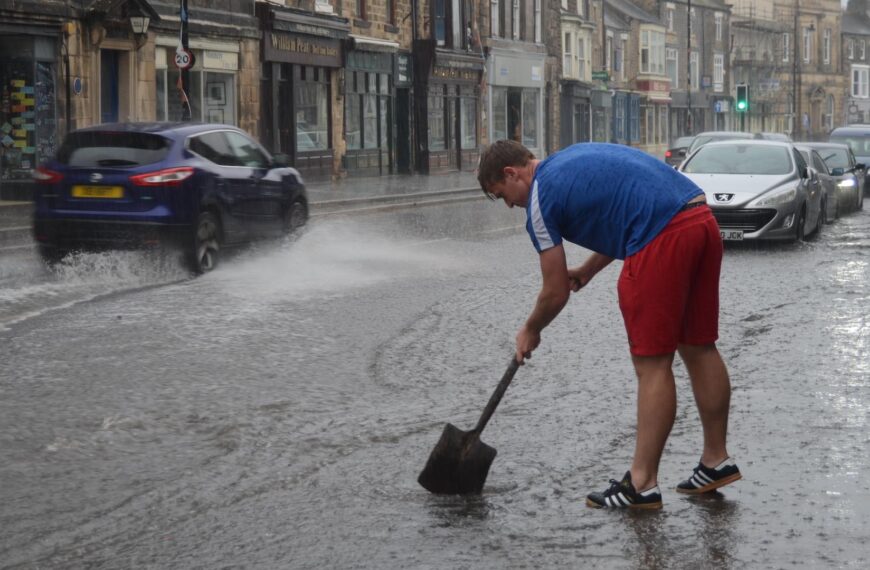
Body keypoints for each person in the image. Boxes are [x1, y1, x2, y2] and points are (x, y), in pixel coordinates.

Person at [477, 140, 740, 510]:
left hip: (662, 238)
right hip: (699, 220)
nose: (508, 204)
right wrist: (589, 269)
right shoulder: (570, 156)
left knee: (652, 365)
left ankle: (642, 484)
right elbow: (625, 212)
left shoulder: (539, 198)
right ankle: (716, 460)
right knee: (698, 346)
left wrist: (531, 329)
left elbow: (554, 292)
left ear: (512, 173)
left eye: (501, 195)